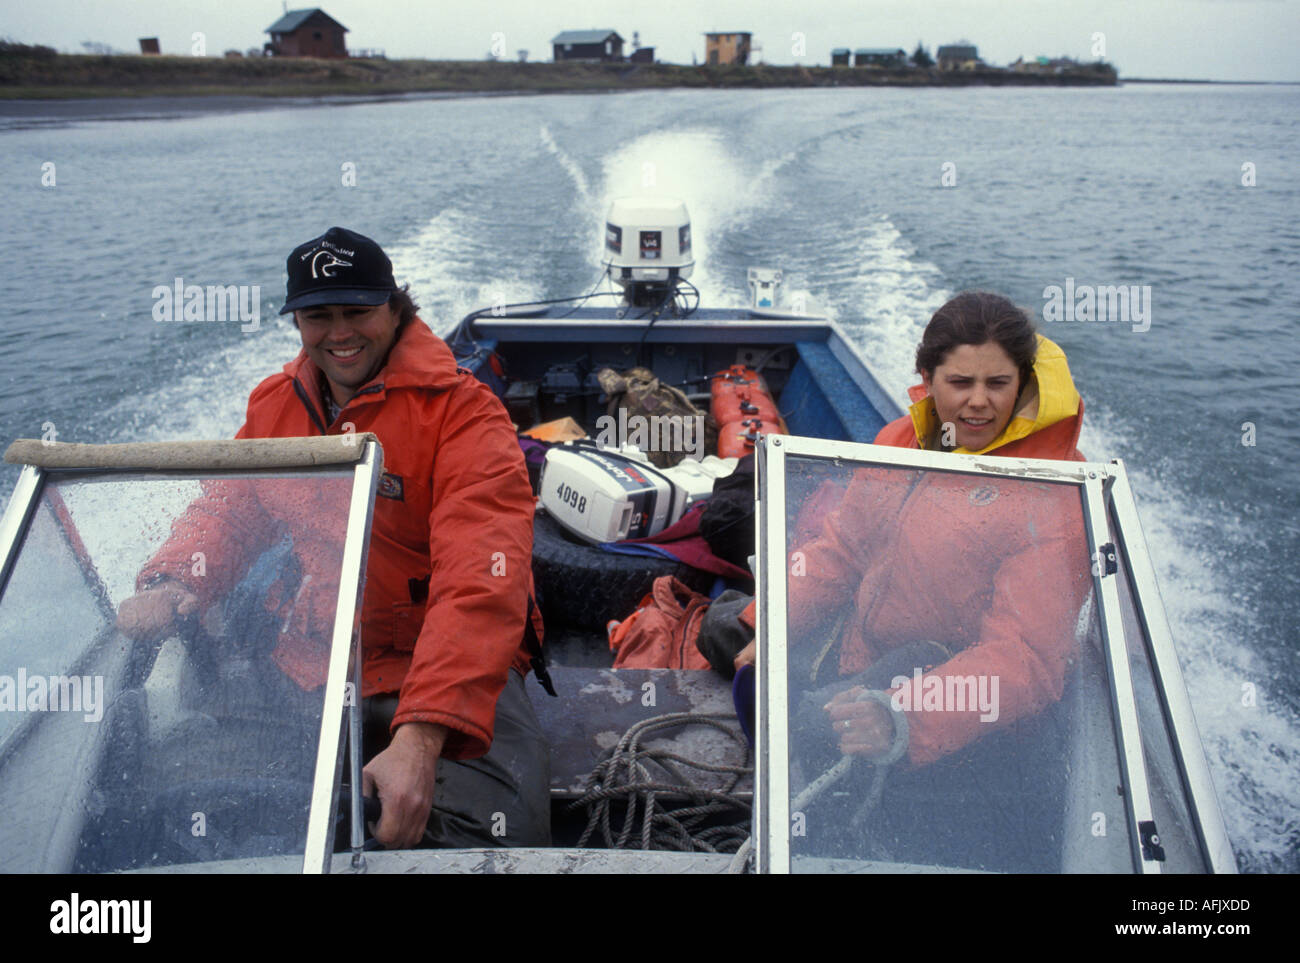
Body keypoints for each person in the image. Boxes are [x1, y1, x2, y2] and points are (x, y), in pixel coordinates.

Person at [117, 226, 550, 850]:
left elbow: (481, 577)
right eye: (319, 316)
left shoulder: (465, 415)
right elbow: (233, 511)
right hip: (310, 661)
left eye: (358, 312)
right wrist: (174, 579)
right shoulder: (275, 409)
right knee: (181, 805)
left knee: (495, 837)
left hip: (432, 666)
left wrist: (425, 734)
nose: (339, 333)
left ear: (396, 308)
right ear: (298, 322)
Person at [738, 291, 1091, 771]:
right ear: (927, 379)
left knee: (803, 727)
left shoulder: (1054, 491)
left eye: (998, 383)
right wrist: (772, 626)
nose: (979, 401)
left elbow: (1026, 657)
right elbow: (842, 550)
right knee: (726, 630)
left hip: (951, 702)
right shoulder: (899, 441)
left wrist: (902, 714)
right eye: (961, 382)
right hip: (860, 646)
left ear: (1024, 382)